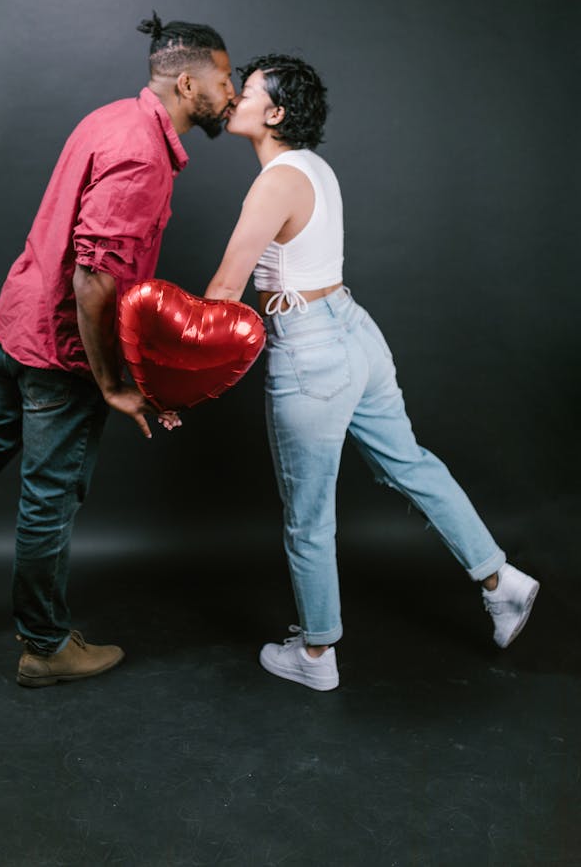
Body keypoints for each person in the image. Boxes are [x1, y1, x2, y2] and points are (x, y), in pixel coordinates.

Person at [0, 12, 236, 687]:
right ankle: (45, 644)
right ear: (185, 82)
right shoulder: (144, 154)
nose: (230, 93)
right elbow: (93, 279)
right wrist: (112, 381)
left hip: (14, 325)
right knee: (48, 498)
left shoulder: (111, 118)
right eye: (225, 79)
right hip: (59, 354)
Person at [204, 54, 539, 691]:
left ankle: (316, 654)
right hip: (354, 332)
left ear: (273, 112)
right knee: (409, 462)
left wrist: (174, 377)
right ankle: (502, 580)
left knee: (308, 515)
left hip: (311, 351)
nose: (232, 99)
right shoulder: (316, 169)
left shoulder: (276, 179)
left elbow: (225, 288)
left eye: (245, 91)